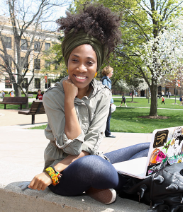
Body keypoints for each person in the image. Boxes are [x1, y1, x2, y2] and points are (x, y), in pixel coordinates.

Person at [28, 4, 150, 205]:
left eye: (89, 62)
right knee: (93, 166)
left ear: (97, 66)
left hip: (87, 159)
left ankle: (96, 186)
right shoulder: (53, 96)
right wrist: (69, 99)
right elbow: (73, 147)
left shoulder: (103, 94)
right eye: (75, 60)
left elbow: (92, 143)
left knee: (148, 148)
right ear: (67, 61)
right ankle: (124, 184)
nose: (81, 68)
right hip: (61, 176)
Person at [101, 66, 116, 138]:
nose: (112, 73)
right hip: (106, 102)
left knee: (107, 117)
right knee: (107, 117)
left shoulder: (107, 80)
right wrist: (110, 101)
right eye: (112, 72)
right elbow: (106, 92)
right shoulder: (105, 81)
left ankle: (106, 132)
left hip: (107, 102)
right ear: (108, 72)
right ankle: (107, 132)